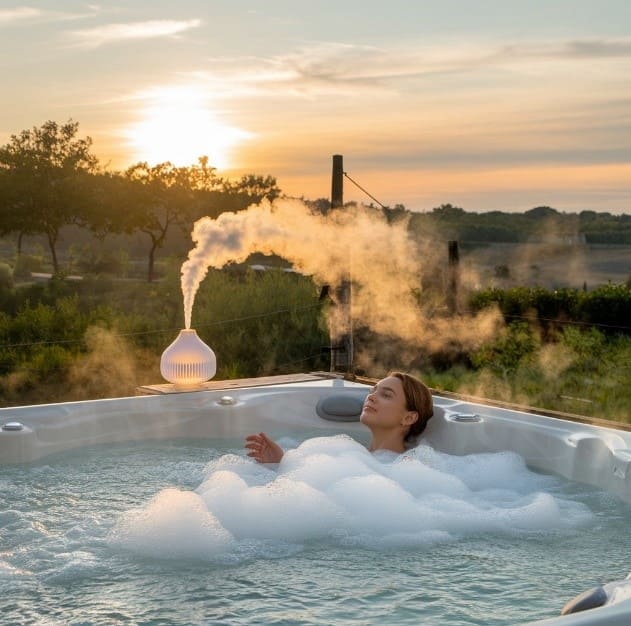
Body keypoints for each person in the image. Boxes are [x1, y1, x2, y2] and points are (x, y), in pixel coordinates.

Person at [245, 372, 433, 464]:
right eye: (372, 390)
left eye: (386, 395)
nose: (371, 397)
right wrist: (282, 463)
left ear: (409, 418)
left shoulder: (403, 467)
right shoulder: (355, 455)